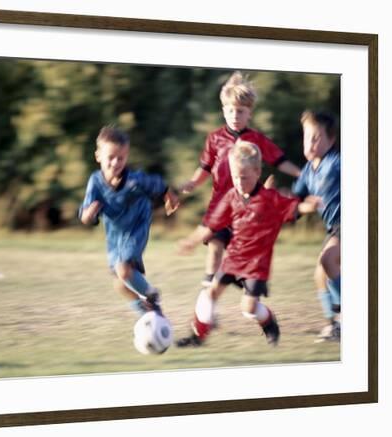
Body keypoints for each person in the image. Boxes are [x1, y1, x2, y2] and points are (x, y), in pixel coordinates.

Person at [175, 140, 319, 347]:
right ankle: (198, 337)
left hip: (257, 264)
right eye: (234, 177)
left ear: (257, 171)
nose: (239, 182)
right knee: (211, 292)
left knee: (248, 308)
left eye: (244, 177)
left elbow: (293, 207)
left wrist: (308, 207)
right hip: (234, 257)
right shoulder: (231, 197)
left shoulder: (270, 198)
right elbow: (210, 225)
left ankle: (269, 323)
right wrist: (191, 241)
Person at [179, 72, 301, 303]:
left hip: (248, 208)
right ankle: (208, 302)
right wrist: (194, 182)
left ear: (249, 113)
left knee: (243, 261)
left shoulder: (257, 139)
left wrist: (302, 173)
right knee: (214, 247)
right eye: (230, 110)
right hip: (220, 206)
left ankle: (251, 291)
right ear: (224, 111)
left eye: (241, 111)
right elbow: (204, 167)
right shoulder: (214, 139)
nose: (235, 115)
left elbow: (279, 160)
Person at [80, 126, 180, 316]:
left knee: (124, 271)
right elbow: (85, 215)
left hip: (136, 229)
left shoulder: (135, 180)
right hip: (115, 237)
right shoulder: (95, 182)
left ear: (126, 157)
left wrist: (170, 197)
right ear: (98, 156)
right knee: (120, 284)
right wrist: (89, 214)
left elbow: (159, 184)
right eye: (111, 157)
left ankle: (152, 295)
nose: (116, 162)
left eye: (121, 158)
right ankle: (149, 315)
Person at [292, 110, 341, 342]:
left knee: (328, 260)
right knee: (319, 275)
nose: (310, 143)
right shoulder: (307, 172)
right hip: (334, 229)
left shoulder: (337, 162)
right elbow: (295, 206)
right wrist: (272, 196)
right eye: (306, 137)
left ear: (331, 140)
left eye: (316, 137)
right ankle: (334, 326)